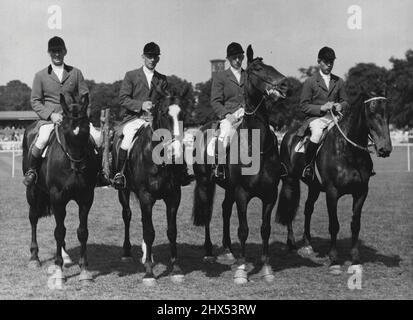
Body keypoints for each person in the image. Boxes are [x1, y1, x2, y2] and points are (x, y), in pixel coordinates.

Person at [23, 36, 108, 187]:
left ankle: (100, 173)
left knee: (97, 138)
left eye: (59, 51)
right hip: (51, 119)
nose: (56, 54)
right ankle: (32, 171)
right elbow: (35, 101)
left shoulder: (75, 73)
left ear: (65, 51)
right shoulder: (40, 75)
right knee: (42, 139)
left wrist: (83, 117)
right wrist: (50, 115)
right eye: (53, 51)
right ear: (49, 53)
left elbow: (85, 97)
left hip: (75, 119)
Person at [113, 42, 194, 189]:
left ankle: (182, 172)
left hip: (155, 120)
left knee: (175, 138)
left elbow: (165, 102)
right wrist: (141, 105)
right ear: (143, 57)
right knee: (128, 139)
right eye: (149, 57)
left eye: (155, 57)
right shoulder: (131, 75)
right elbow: (123, 98)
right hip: (135, 119)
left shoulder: (162, 79)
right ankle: (120, 174)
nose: (152, 60)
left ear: (158, 59)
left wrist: (158, 109)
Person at [299, 46, 349, 182]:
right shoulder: (310, 82)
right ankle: (308, 166)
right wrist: (321, 107)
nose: (329, 64)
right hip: (317, 119)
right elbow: (303, 106)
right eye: (326, 61)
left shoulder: (339, 81)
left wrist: (341, 105)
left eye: (331, 61)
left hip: (335, 117)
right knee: (316, 134)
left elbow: (345, 101)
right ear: (319, 61)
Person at [210, 42, 246, 180]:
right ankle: (219, 167)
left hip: (247, 113)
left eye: (240, 57)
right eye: (234, 58)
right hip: (229, 115)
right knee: (225, 137)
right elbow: (215, 101)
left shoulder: (248, 75)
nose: (238, 60)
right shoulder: (221, 77)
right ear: (229, 59)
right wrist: (226, 115)